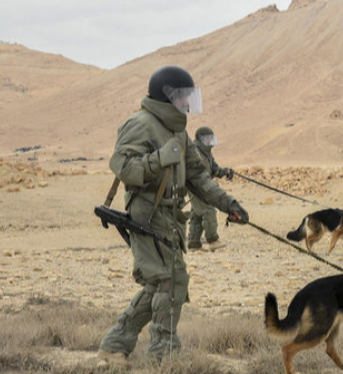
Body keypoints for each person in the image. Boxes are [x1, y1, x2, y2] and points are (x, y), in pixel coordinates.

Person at [97, 66, 248, 368]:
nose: (187, 105)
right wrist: (157, 160)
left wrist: (228, 202)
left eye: (189, 98)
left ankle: (115, 346)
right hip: (148, 215)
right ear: (166, 97)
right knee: (171, 282)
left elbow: (198, 176)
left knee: (159, 284)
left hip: (170, 216)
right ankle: (164, 356)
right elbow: (122, 167)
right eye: (182, 98)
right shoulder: (141, 123)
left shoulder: (178, 130)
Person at [187, 126, 234, 251]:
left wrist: (226, 172)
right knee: (208, 210)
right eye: (208, 138)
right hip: (196, 187)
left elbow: (215, 169)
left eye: (211, 138)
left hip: (204, 187)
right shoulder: (194, 151)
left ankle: (193, 242)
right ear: (201, 139)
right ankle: (213, 240)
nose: (210, 141)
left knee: (197, 214)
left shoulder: (207, 153)